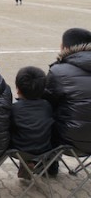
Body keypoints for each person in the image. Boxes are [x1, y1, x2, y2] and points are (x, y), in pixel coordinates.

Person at [44, 28, 91, 173]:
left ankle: (49, 166)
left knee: (41, 113)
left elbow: (46, 104)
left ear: (65, 47)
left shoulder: (58, 72)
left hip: (70, 141)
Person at [10, 66, 54, 179]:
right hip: (44, 149)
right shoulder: (47, 106)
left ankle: (27, 163)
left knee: (18, 131)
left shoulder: (14, 108)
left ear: (18, 89)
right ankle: (36, 164)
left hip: (18, 150)